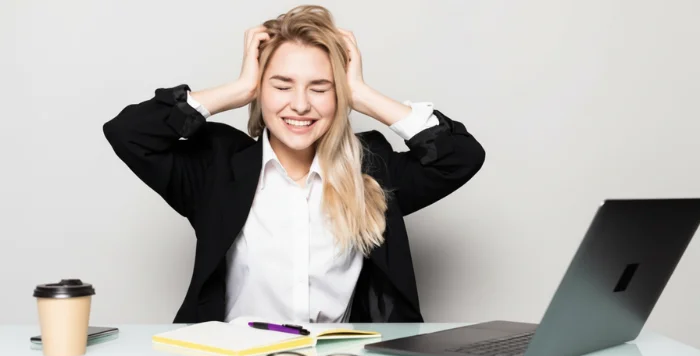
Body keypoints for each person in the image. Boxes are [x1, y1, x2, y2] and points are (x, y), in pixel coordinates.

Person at [103, 5, 485, 324]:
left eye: (320, 88)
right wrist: (238, 90)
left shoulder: (370, 167)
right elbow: (128, 133)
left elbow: (461, 157)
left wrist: (363, 95)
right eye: (282, 86)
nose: (300, 104)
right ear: (260, 89)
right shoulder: (218, 167)